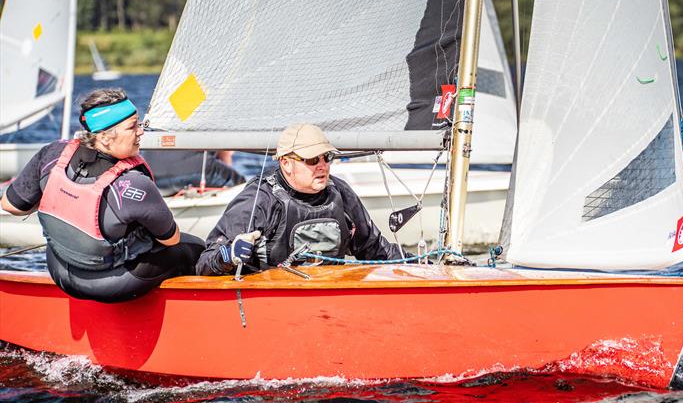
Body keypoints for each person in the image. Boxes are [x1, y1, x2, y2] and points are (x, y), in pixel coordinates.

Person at [0, 89, 204, 303]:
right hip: (109, 286)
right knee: (194, 248)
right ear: (105, 137)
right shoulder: (134, 183)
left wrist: (63, 198)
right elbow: (171, 239)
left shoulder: (53, 154)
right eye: (132, 126)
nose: (141, 132)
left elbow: (10, 205)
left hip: (59, 271)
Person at [196, 123, 405, 275]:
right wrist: (227, 255)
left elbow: (376, 250)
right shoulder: (260, 200)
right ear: (286, 163)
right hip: (271, 305)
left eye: (327, 157)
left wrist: (423, 264)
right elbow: (205, 263)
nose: (322, 165)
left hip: (327, 301)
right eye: (313, 159)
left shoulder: (339, 192)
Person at [140, 149, 245, 196]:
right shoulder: (209, 109)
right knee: (242, 185)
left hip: (153, 174)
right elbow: (225, 155)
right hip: (194, 170)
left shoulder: (164, 111)